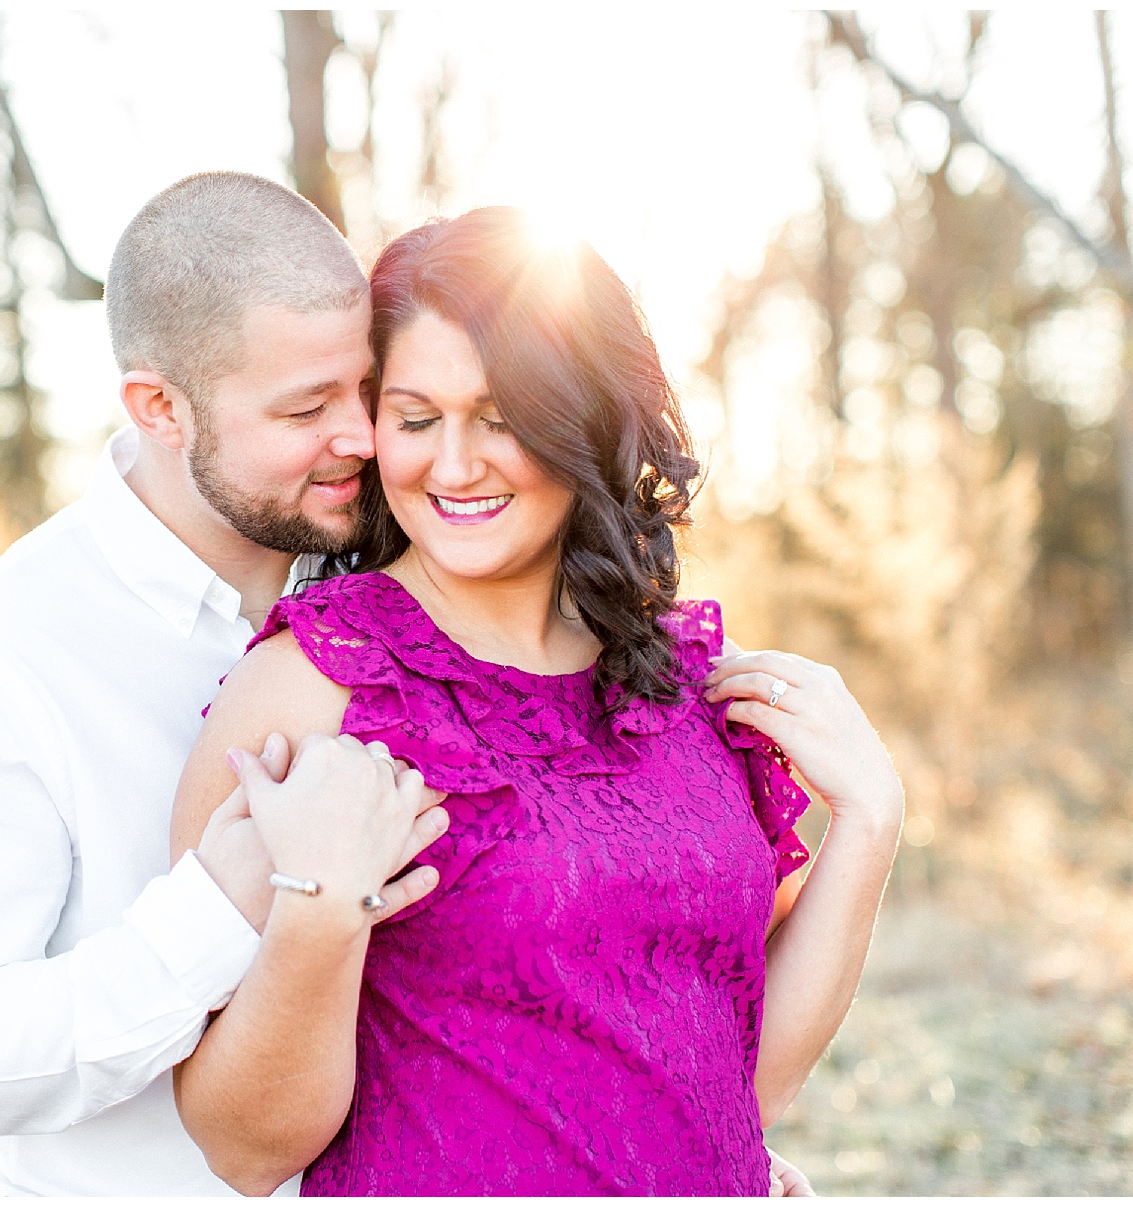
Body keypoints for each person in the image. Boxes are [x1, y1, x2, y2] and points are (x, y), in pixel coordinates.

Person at [169, 208, 905, 1195]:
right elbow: (241, 1148)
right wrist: (322, 910)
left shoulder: (681, 686)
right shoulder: (312, 683)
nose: (456, 465)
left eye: (505, 418)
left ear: (588, 420)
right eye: (417, 418)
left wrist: (870, 820)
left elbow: (747, 1083)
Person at [0, 171, 445, 1196]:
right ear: (159, 407)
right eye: (307, 406)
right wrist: (212, 915)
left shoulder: (408, 581)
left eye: (364, 386)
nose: (360, 435)